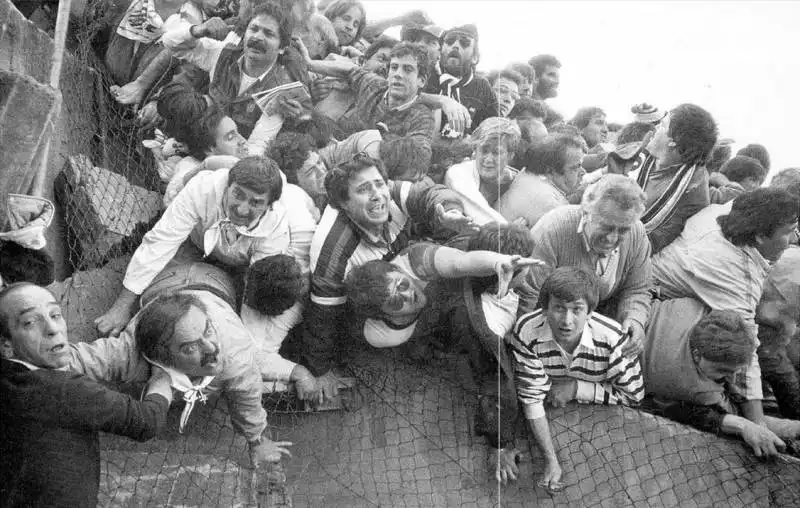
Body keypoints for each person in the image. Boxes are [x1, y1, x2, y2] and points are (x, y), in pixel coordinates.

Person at [344, 223, 539, 485]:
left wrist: (500, 443)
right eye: (394, 301)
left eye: (401, 284)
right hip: (428, 328)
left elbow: (461, 263)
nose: (407, 295)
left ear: (399, 270)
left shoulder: (418, 261)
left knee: (479, 337)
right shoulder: (375, 334)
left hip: (464, 270)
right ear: (382, 315)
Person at [297, 154, 472, 400]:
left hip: (399, 268)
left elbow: (430, 193)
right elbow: (323, 316)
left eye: (379, 184)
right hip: (367, 302)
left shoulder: (389, 192)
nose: (377, 194)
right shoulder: (332, 250)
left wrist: (449, 211)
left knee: (460, 247)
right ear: (344, 204)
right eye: (363, 190)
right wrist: (319, 369)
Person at [72, 280, 296, 466]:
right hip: (161, 285)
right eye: (190, 347)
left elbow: (247, 395)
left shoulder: (235, 353)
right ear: (163, 357)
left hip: (214, 282)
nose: (211, 348)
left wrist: (257, 440)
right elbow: (79, 359)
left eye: (208, 331)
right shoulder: (129, 352)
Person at [95, 157, 318, 337]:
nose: (241, 210)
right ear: (228, 185)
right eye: (238, 195)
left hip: (240, 268)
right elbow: (160, 242)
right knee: (158, 291)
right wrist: (121, 307)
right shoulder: (203, 188)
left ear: (269, 205)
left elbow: (256, 287)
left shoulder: (276, 230)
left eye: (255, 202)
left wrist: (243, 344)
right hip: (194, 243)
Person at [0, 283, 172, 507]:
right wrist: (162, 379)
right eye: (30, 322)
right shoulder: (62, 390)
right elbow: (147, 421)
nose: (53, 328)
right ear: (6, 346)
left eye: (55, 314)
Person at [653, 188, 800, 425]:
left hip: (661, 292)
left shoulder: (730, 211)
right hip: (656, 307)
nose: (794, 239)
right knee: (731, 344)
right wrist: (757, 421)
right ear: (761, 236)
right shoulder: (736, 276)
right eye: (789, 232)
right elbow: (747, 348)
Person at [511, 267, 644, 490]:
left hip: (600, 423)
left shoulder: (614, 339)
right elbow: (532, 398)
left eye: (577, 309)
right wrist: (552, 461)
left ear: (590, 312)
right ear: (545, 308)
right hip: (548, 410)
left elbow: (634, 396)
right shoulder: (526, 331)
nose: (567, 320)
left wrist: (576, 388)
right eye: (558, 308)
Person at [642, 298, 800, 458]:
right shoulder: (693, 388)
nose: (731, 379)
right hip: (649, 376)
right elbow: (715, 416)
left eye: (735, 371)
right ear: (697, 356)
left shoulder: (696, 307)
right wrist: (746, 426)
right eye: (723, 370)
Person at [524, 175, 652, 356]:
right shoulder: (553, 230)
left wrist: (635, 319)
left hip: (600, 322)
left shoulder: (637, 232)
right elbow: (528, 294)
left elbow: (638, 288)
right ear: (585, 213)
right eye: (606, 227)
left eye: (623, 230)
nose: (612, 238)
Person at [161, 2, 311, 140]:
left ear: (282, 48)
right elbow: (169, 43)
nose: (257, 37)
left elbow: (257, 143)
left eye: (269, 34)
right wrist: (198, 30)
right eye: (253, 29)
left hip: (236, 155)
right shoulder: (222, 54)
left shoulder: (281, 89)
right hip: (202, 141)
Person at [301, 40, 435, 181]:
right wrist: (310, 64)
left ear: (421, 80)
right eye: (394, 67)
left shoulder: (422, 117)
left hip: (375, 179)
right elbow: (350, 70)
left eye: (407, 70)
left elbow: (418, 160)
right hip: (337, 160)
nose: (398, 74)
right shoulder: (375, 86)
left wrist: (383, 142)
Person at [635, 103, 718, 253]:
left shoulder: (692, 192)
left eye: (663, 125)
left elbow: (650, 244)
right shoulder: (643, 155)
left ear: (674, 140)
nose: (655, 129)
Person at [444, 117, 521, 225]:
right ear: (475, 150)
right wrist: (511, 230)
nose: (488, 159)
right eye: (484, 150)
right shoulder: (458, 173)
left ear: (510, 155)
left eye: (496, 153)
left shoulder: (516, 181)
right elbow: (479, 213)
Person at [498, 134, 585, 228]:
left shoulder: (527, 174)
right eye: (576, 167)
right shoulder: (552, 206)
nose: (583, 172)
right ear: (550, 170)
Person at [757, 245, 800, 420]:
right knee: (786, 382)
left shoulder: (790, 253)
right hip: (764, 333)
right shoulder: (792, 263)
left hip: (772, 329)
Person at [435, 24, 498, 136]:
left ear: (475, 57)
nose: (455, 46)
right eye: (449, 41)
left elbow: (495, 131)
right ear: (440, 50)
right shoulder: (427, 77)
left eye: (464, 43)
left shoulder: (482, 87)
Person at [527, 54, 562, 128]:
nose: (557, 82)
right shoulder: (527, 111)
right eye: (551, 75)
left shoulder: (550, 112)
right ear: (535, 78)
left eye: (558, 77)